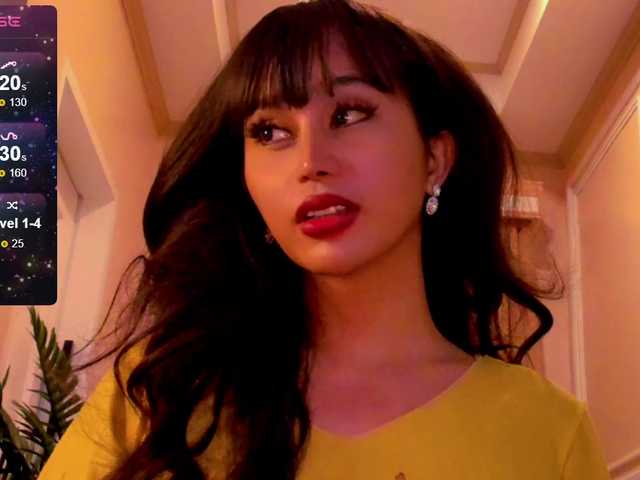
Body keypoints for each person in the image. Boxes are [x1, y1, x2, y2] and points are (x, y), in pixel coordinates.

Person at [37, 0, 611, 478]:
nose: (310, 160)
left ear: (435, 159)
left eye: (351, 114)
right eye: (270, 131)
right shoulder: (159, 394)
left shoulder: (548, 432)